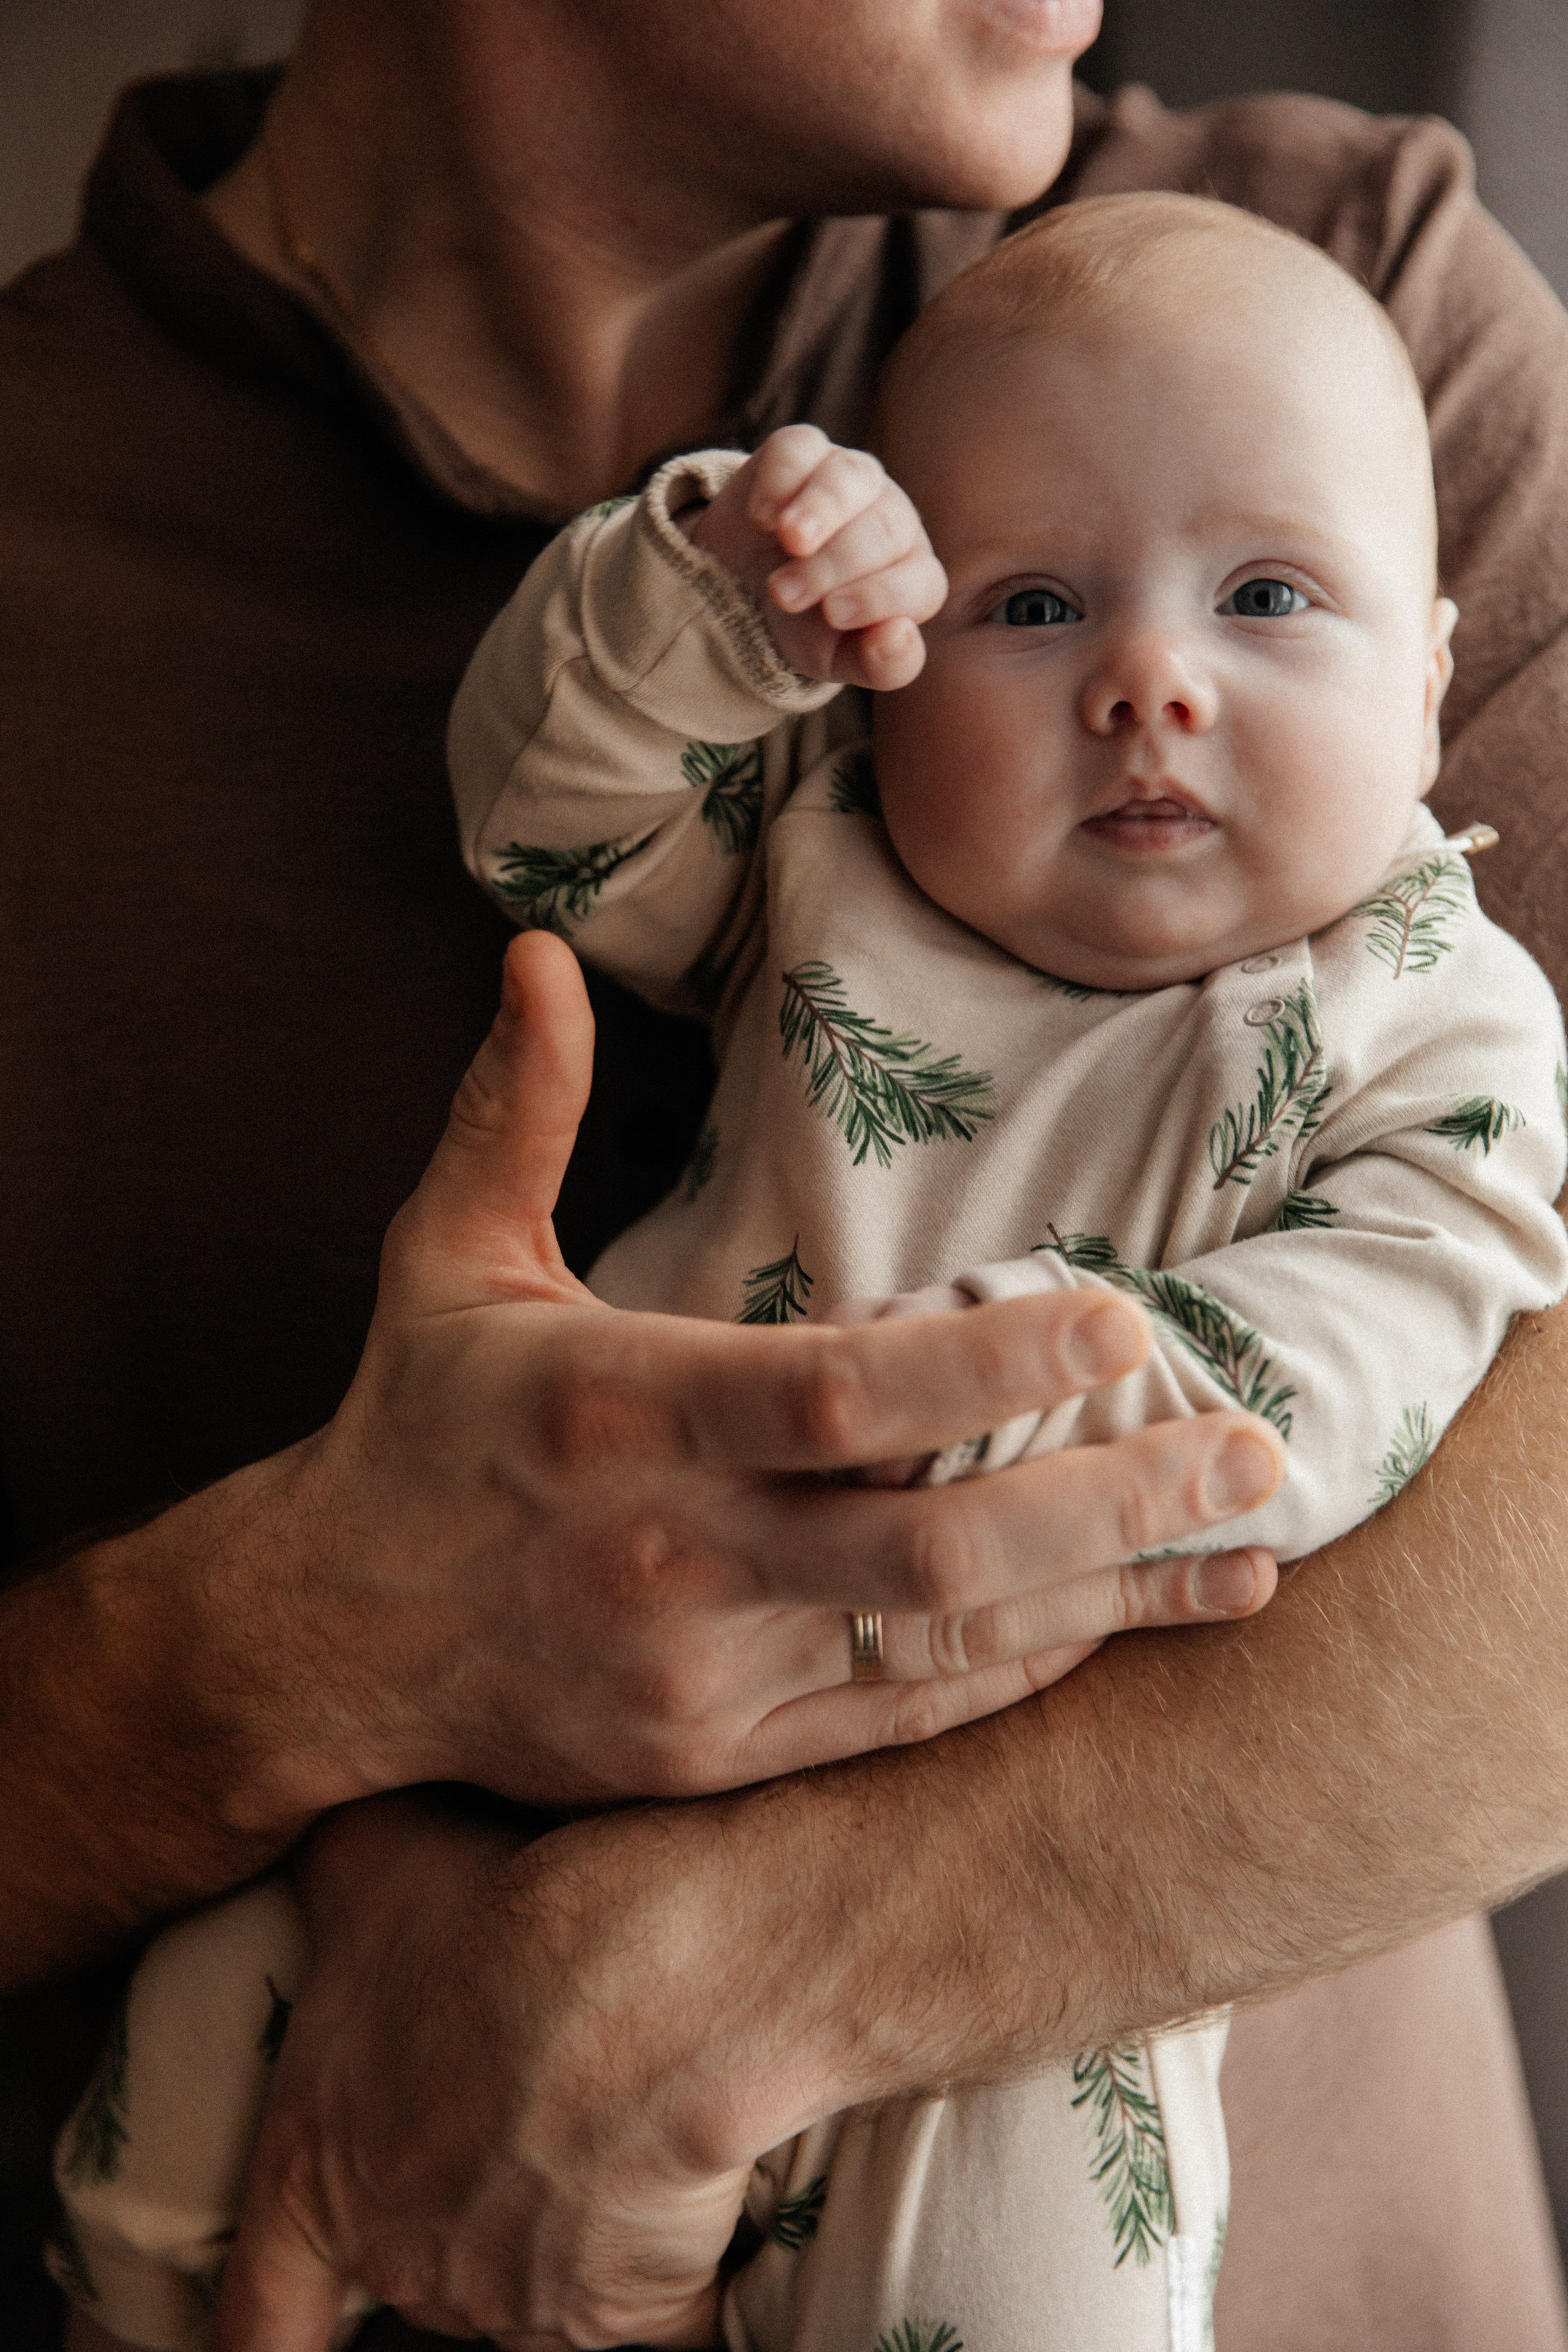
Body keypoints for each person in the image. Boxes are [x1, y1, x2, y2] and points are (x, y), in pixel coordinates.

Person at [4, 4, 1568, 2347]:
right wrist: (288, 1653)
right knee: (201, 2065)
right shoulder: (839, 844)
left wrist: (726, 1975)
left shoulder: (1348, 323)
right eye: (1031, 611)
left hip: (1069, 1943)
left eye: (1270, 606)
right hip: (476, 1830)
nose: (1151, 684)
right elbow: (557, 818)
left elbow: (1436, 1264)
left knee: (1030, 2245)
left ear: (1421, 678)